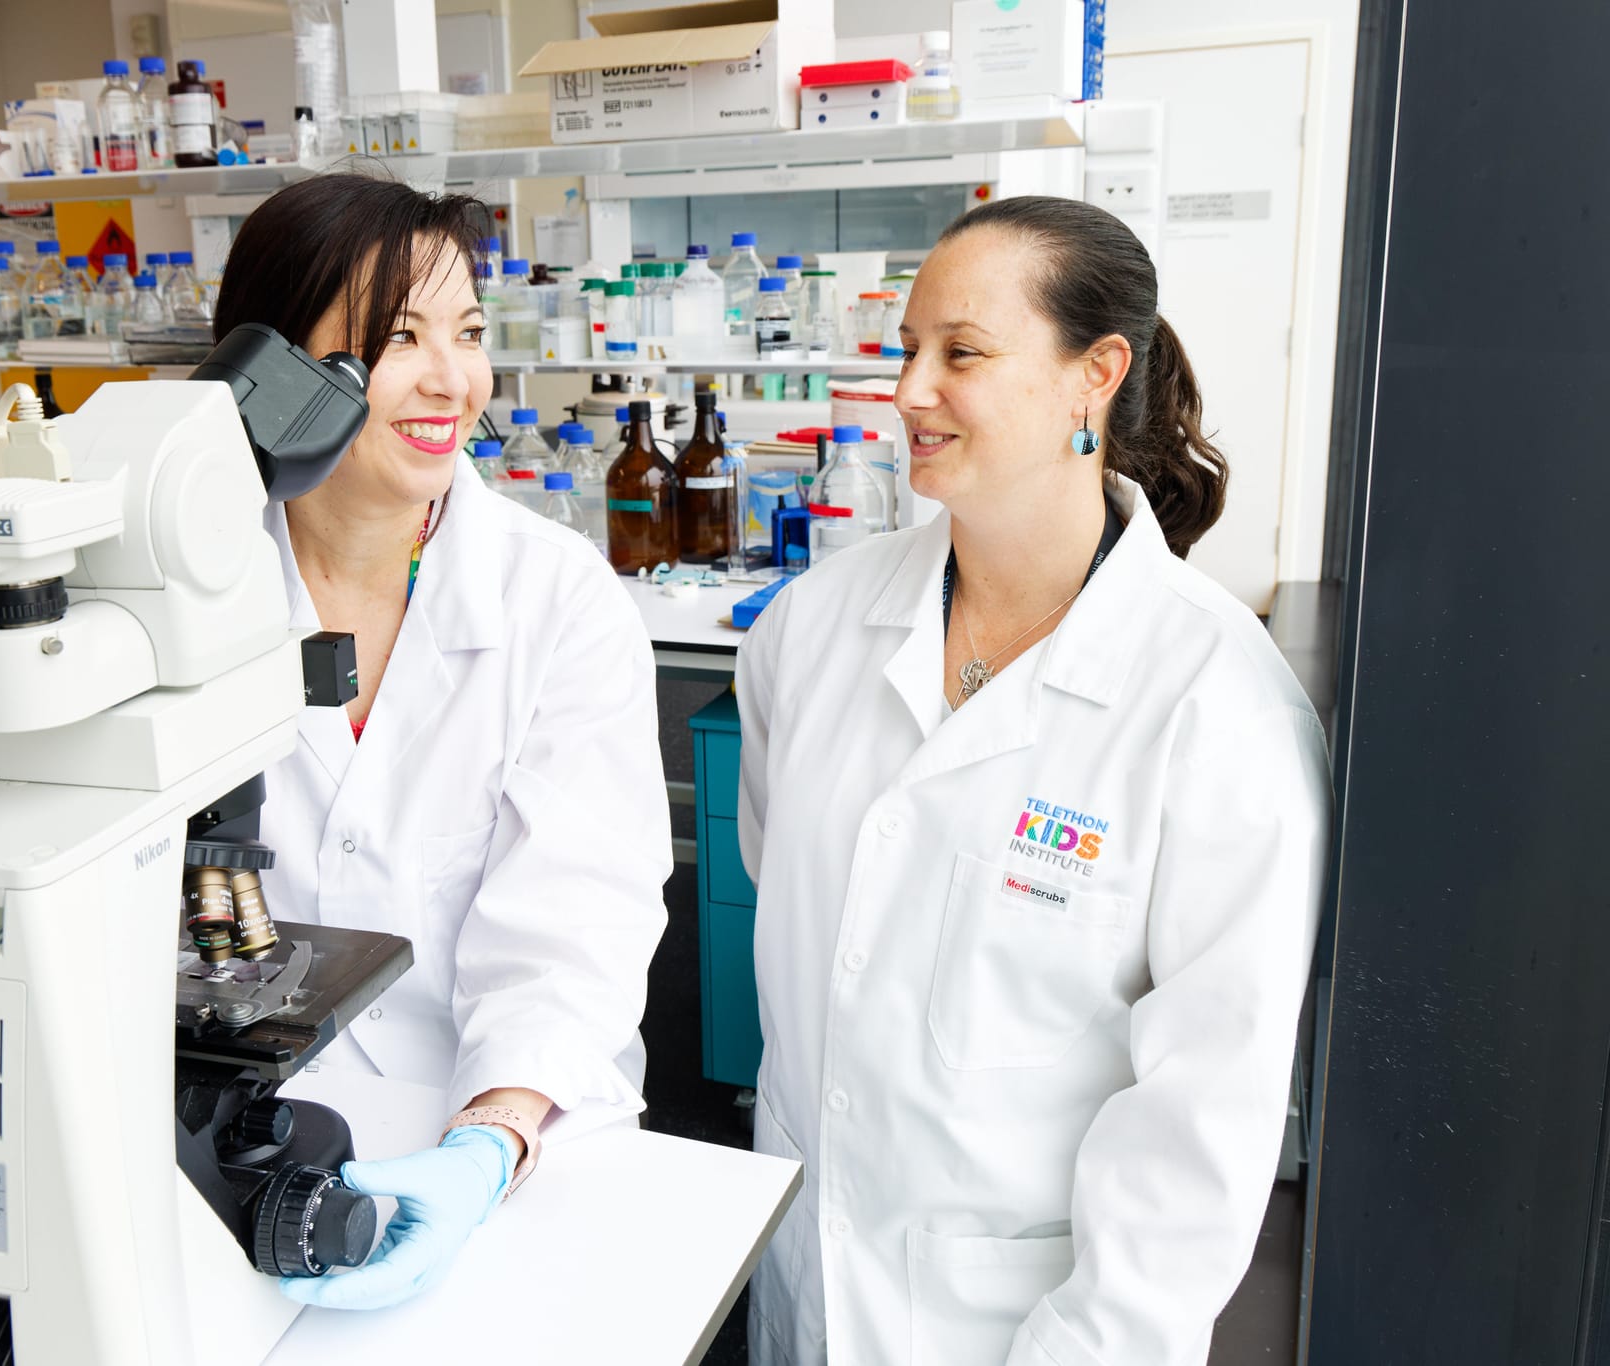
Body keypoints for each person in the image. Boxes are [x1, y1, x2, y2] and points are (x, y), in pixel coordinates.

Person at [735, 195, 1333, 1365]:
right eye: (905, 349)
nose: (907, 390)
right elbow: (798, 904)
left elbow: (1197, 1132)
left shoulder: (1215, 703)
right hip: (804, 1287)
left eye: (958, 353)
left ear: (1091, 375)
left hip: (1027, 1329)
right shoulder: (807, 633)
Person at [209, 173, 671, 1309]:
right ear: (272, 372)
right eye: (395, 335)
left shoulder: (554, 599)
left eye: (465, 333)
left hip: (507, 1133)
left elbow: (579, 922)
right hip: (235, 1134)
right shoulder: (188, 582)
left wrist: (487, 1143)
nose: (449, 378)